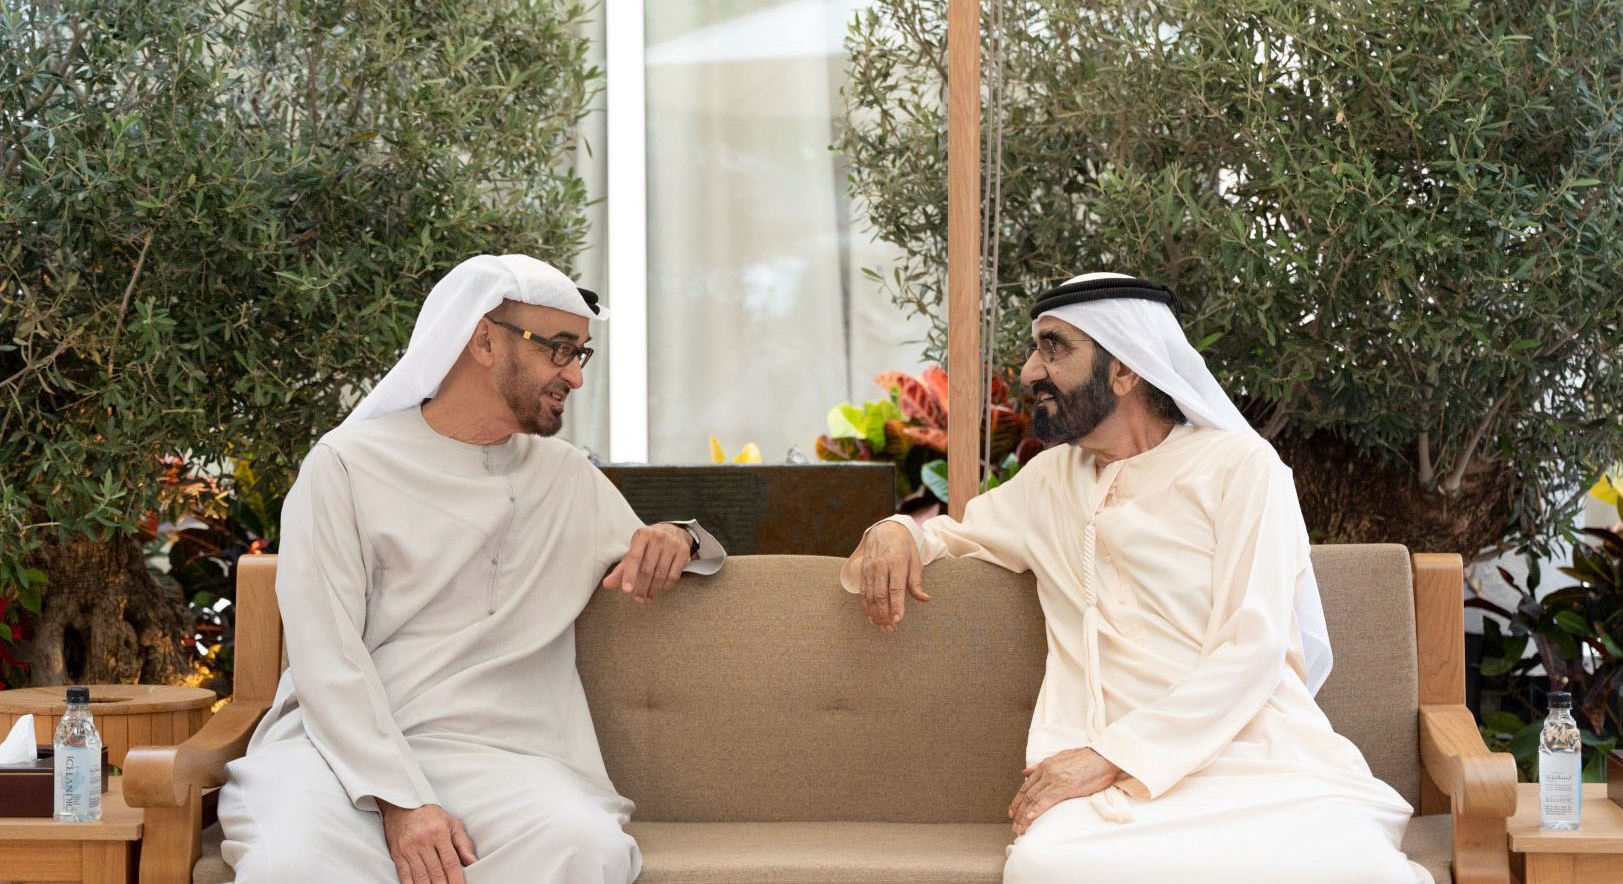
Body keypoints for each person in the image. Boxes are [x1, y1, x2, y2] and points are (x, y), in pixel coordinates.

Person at [844, 272, 1428, 884]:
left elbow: (1251, 649)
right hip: (1106, 792)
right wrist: (894, 530)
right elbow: (951, 537)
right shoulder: (1050, 483)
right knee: (1046, 869)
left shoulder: (1241, 467)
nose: (1028, 372)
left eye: (1053, 348)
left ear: (1125, 371)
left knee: (1359, 871)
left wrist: (1112, 756)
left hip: (1257, 762)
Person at [218, 254, 725, 884]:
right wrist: (402, 801)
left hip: (504, 759)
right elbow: (327, 653)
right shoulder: (347, 466)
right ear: (484, 340)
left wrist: (679, 536)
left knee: (582, 845)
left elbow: (682, 555)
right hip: (334, 754)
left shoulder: (565, 477)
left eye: (581, 355)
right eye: (560, 351)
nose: (576, 377)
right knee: (291, 864)